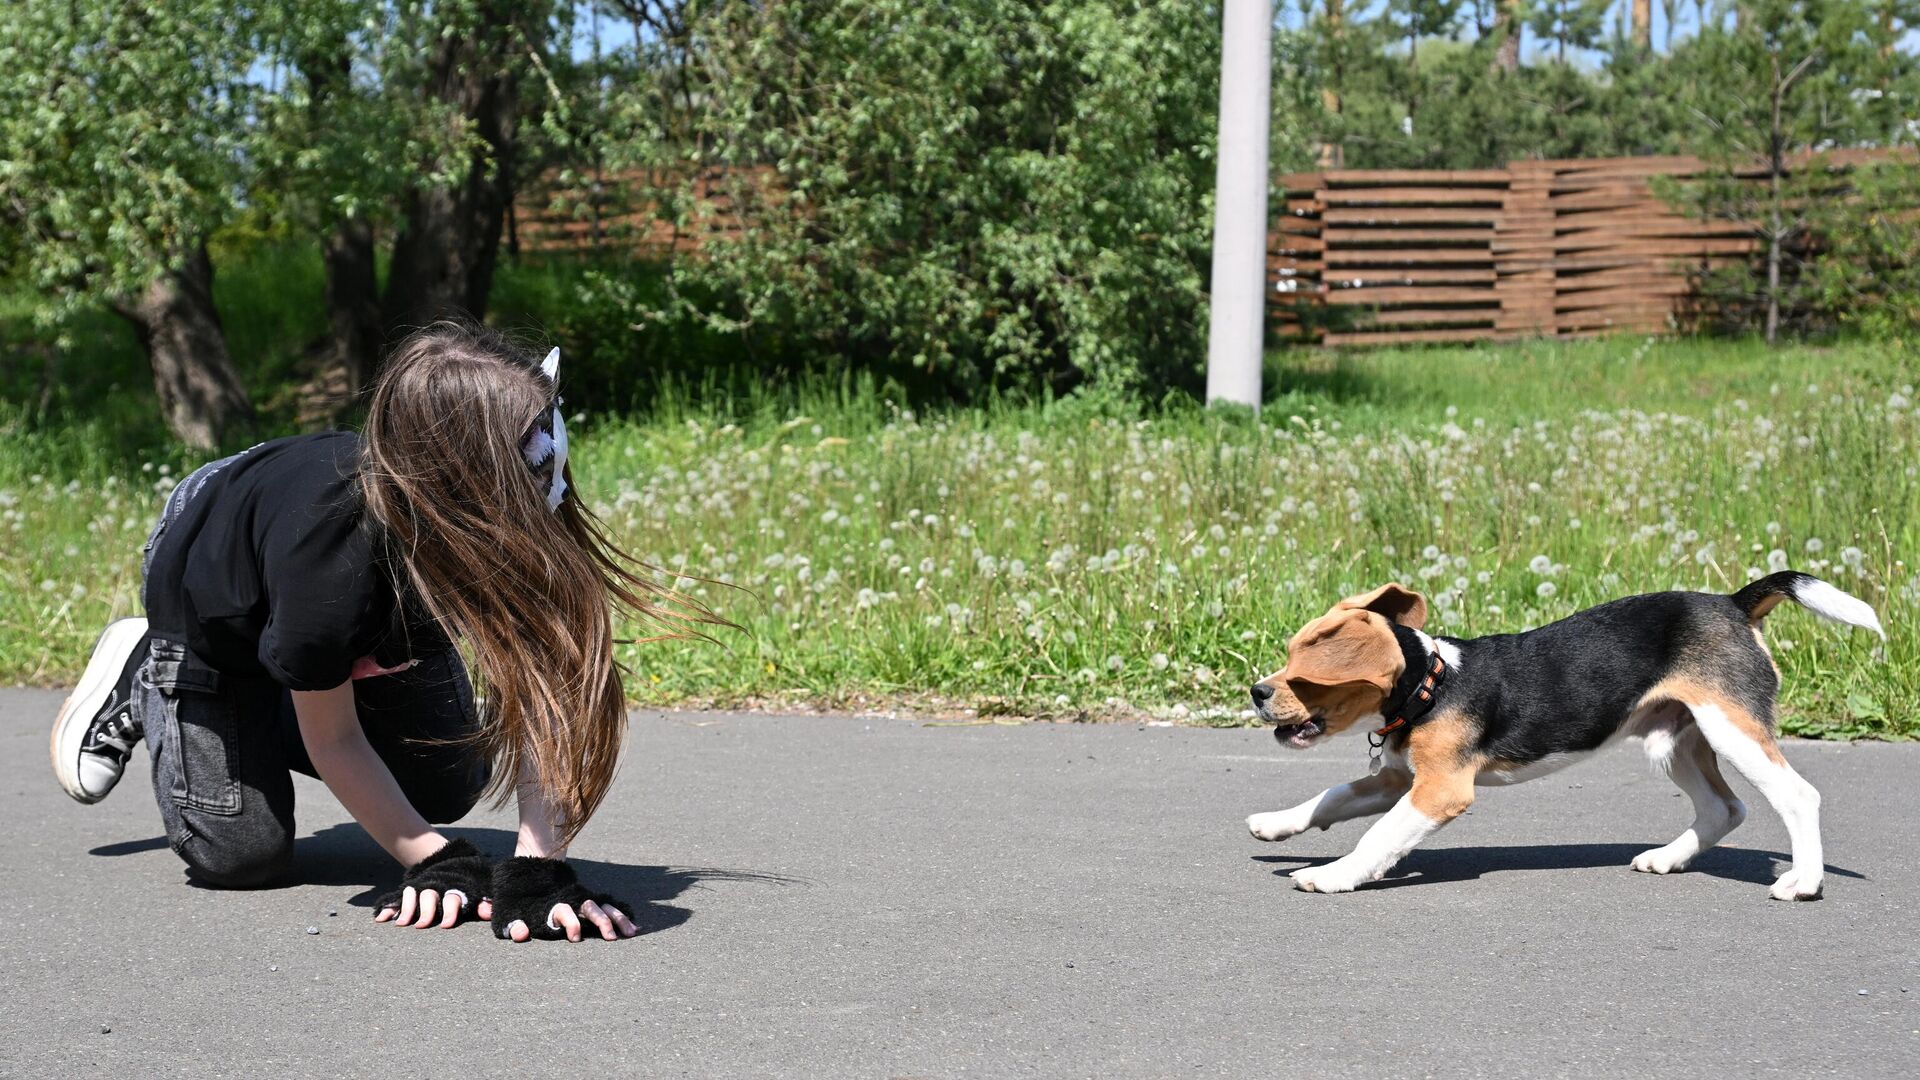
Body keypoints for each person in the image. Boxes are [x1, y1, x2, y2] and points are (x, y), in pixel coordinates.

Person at [49, 322, 718, 942]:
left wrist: (537, 872)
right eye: (534, 452)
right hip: (217, 585)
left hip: (357, 611)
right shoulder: (331, 578)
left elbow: (550, 692)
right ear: (462, 479)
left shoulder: (510, 509)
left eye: (549, 437)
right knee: (240, 853)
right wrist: (431, 857)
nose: (553, 464)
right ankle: (145, 665)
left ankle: (305, 675)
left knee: (447, 786)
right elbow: (333, 736)